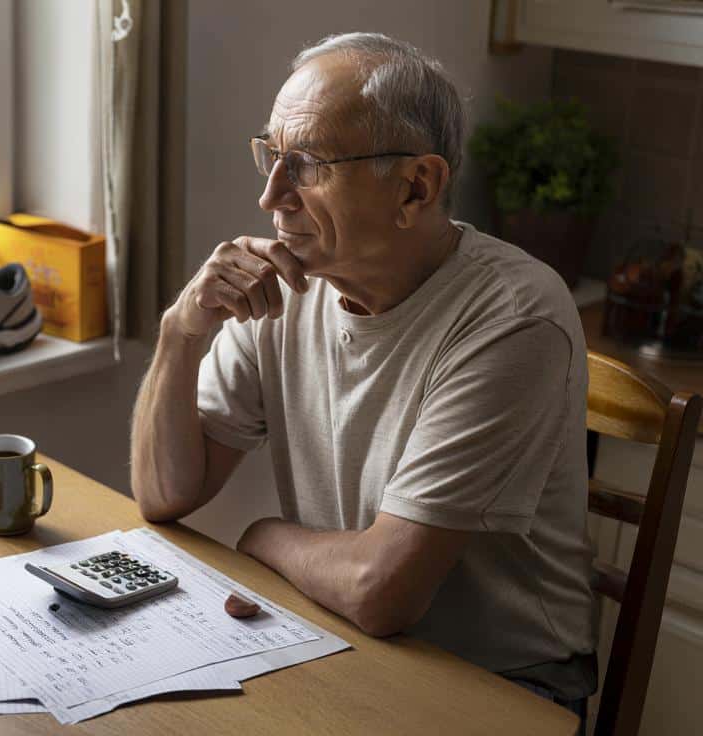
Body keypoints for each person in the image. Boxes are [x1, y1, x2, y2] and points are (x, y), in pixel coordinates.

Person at [129, 33, 597, 727]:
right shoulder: (291, 281)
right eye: (270, 155)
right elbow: (164, 493)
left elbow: (382, 589)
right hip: (339, 637)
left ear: (417, 186)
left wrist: (263, 536)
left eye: (308, 165)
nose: (270, 197)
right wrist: (180, 331)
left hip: (499, 686)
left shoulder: (514, 318)